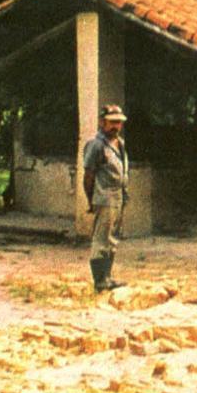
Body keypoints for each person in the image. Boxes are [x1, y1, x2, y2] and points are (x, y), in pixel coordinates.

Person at [83, 104, 130, 291]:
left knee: (113, 239)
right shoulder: (96, 145)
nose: (116, 126)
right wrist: (90, 200)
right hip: (105, 197)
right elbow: (88, 175)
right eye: (112, 122)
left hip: (119, 197)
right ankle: (99, 281)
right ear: (102, 122)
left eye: (119, 123)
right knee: (101, 240)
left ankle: (108, 277)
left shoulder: (120, 143)